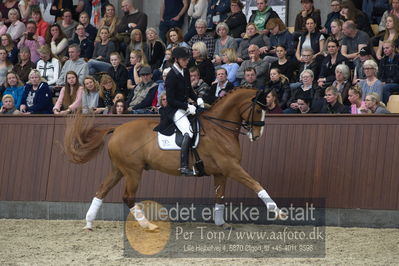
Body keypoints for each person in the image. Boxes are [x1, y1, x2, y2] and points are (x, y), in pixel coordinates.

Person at [160, 47, 200, 176]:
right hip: (174, 109)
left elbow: (189, 91)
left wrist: (198, 98)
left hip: (184, 106)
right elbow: (171, 100)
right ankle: (184, 166)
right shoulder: (171, 76)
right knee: (188, 132)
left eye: (187, 59)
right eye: (184, 59)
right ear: (176, 60)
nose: (186, 62)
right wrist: (187, 107)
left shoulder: (186, 71)